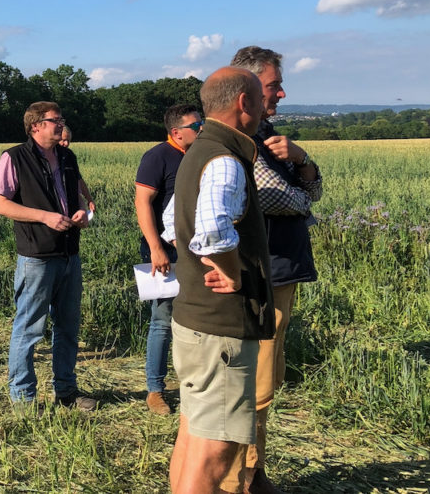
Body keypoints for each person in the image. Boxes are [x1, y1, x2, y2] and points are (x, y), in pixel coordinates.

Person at [160, 67, 275, 494]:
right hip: (221, 328)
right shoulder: (226, 159)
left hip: (195, 320)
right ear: (244, 103)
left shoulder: (199, 150)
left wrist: (199, 264)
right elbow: (210, 233)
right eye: (262, 98)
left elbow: (173, 223)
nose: (267, 107)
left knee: (194, 433)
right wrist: (231, 274)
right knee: (217, 448)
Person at [224, 46, 323, 494]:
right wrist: (303, 198)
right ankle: (240, 478)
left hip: (281, 272)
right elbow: (276, 197)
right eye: (273, 86)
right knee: (254, 382)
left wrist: (301, 159)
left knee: (269, 377)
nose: (282, 93)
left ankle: (252, 470)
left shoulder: (269, 135)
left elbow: (312, 190)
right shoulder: (239, 140)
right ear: (245, 90)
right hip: (261, 276)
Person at [0, 101, 96, 411]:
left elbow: (77, 198)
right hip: (36, 255)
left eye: (61, 119)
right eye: (55, 120)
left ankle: (66, 391)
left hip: (69, 253)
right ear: (35, 125)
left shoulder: (67, 157)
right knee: (29, 326)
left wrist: (81, 214)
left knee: (68, 326)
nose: (60, 124)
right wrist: (44, 216)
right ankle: (23, 397)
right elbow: (1, 204)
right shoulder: (14, 157)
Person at [134, 104, 202, 416]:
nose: (201, 128)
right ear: (176, 132)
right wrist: (155, 248)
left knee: (197, 320)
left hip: (197, 251)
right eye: (195, 125)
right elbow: (143, 203)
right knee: (162, 321)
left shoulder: (199, 155)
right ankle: (155, 390)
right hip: (165, 252)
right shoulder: (157, 157)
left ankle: (194, 386)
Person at [57, 125, 96, 213]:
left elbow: (78, 179)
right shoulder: (48, 157)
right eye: (63, 140)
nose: (66, 144)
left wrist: (89, 199)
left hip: (72, 204)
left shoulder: (70, 155)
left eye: (68, 140)